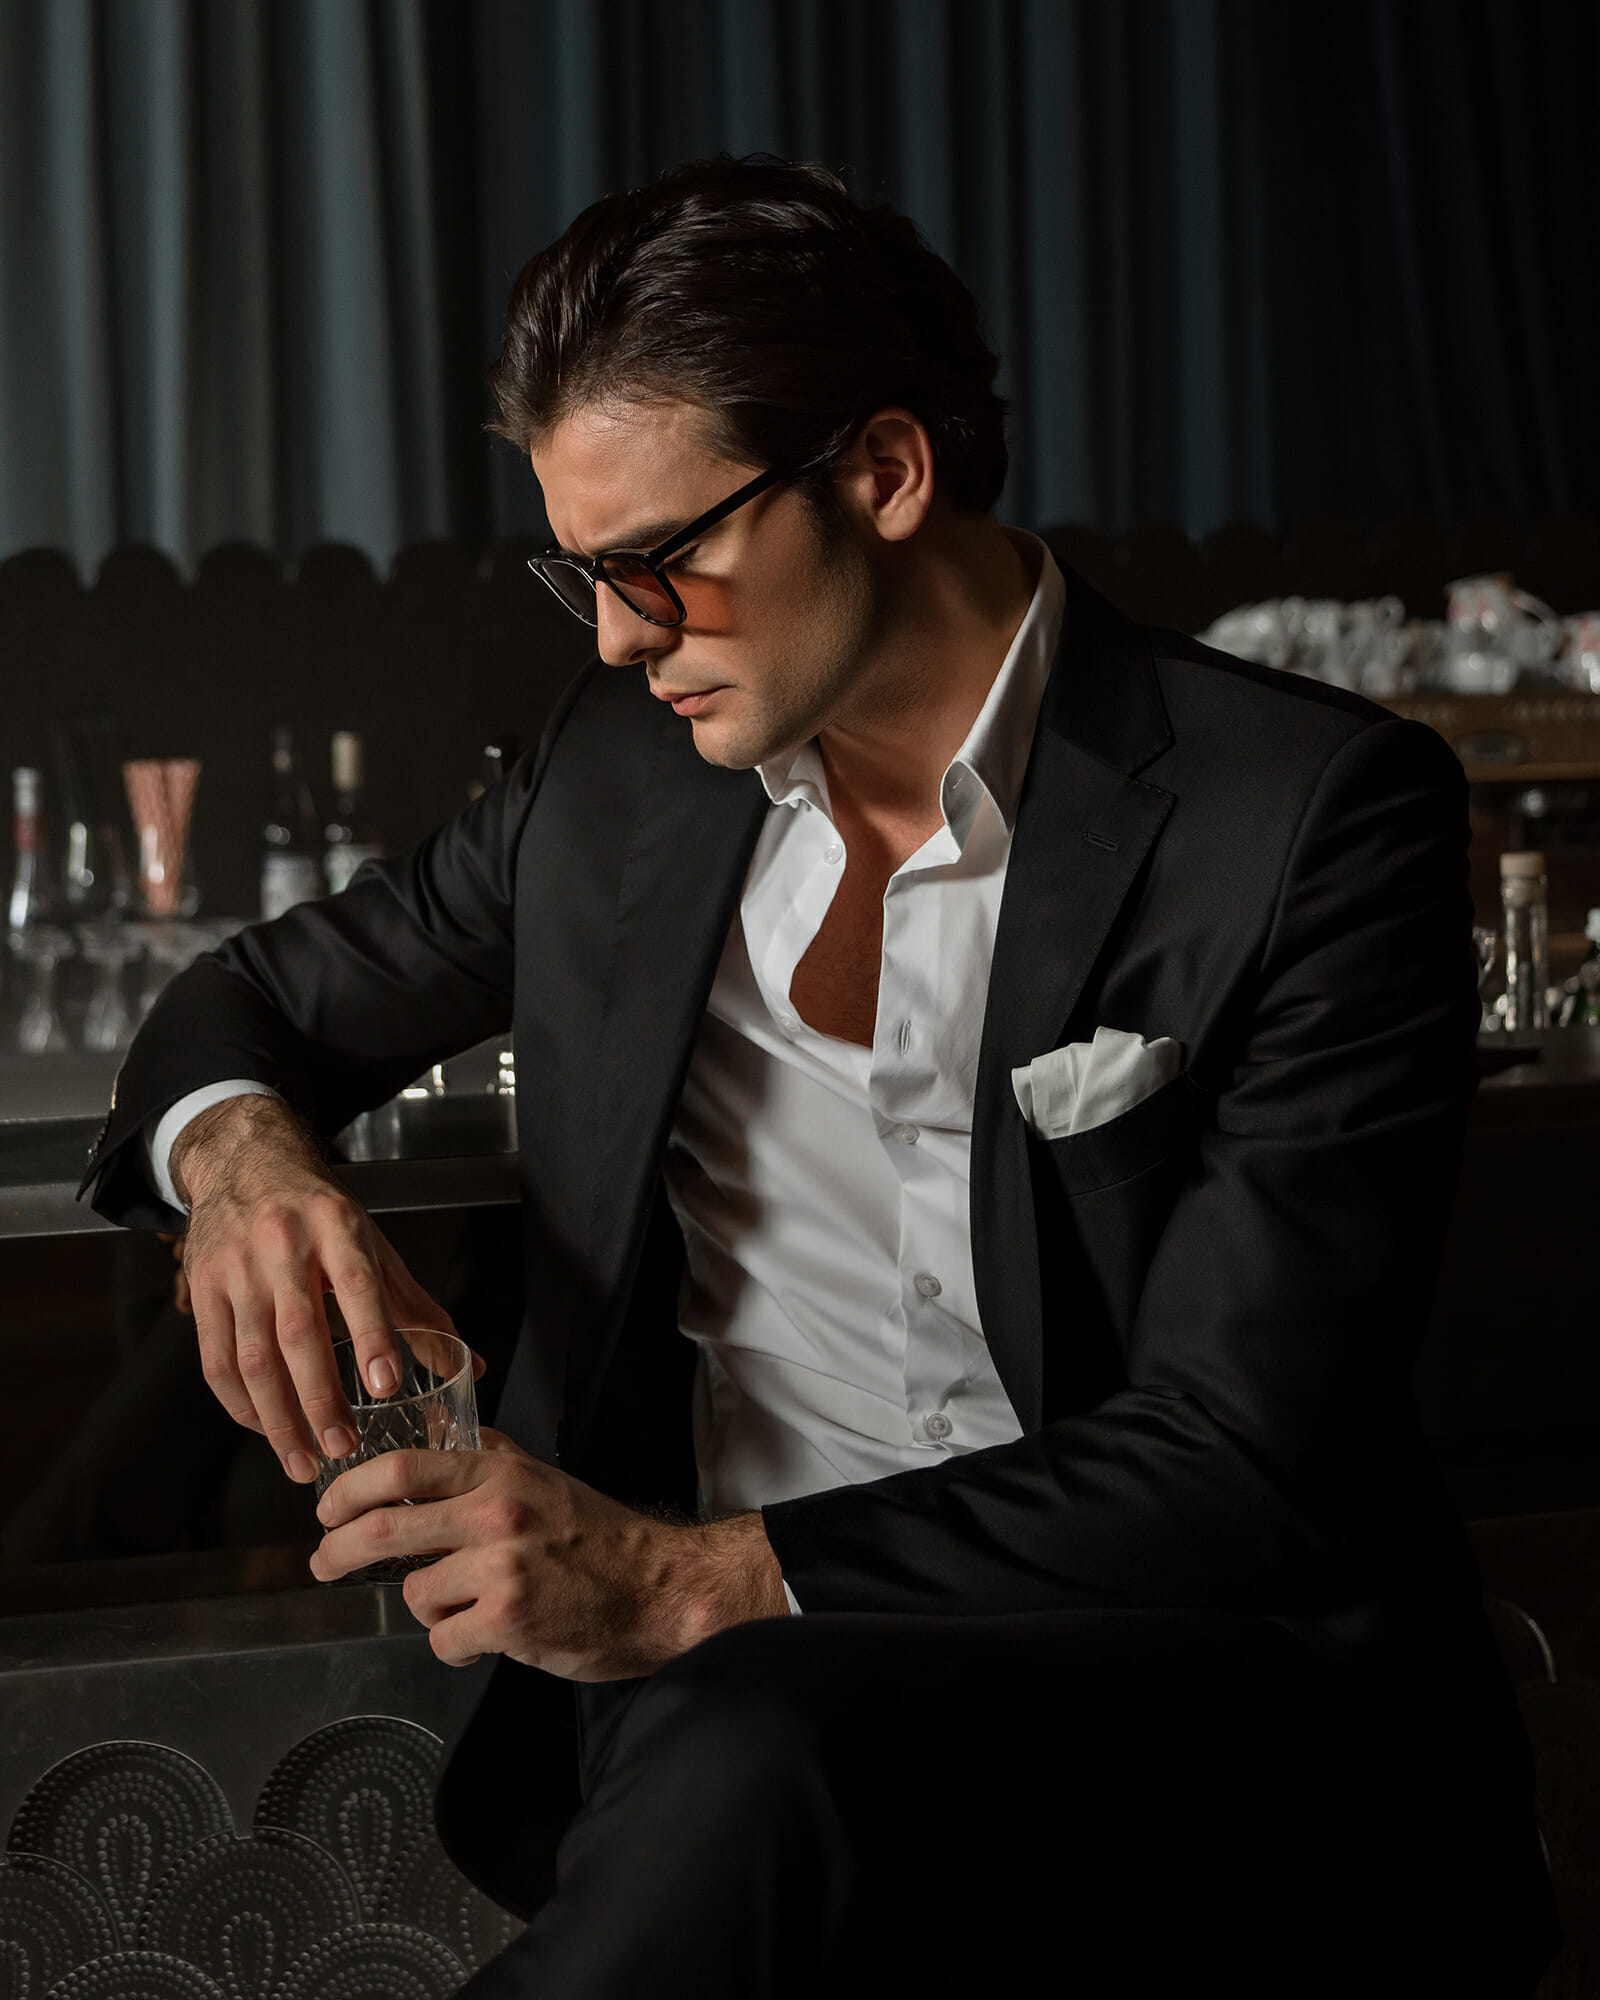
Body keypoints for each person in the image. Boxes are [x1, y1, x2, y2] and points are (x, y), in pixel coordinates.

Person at [83, 156, 1557, 1996]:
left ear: (882, 471)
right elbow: (242, 1007)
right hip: (709, 1725)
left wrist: (694, 1580)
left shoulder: (1309, 815)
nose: (618, 634)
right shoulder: (615, 779)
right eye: (580, 572)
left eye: (658, 563)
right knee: (740, 1742)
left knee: (750, 1733)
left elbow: (1246, 1456)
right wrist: (246, 1173)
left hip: (1162, 1682)